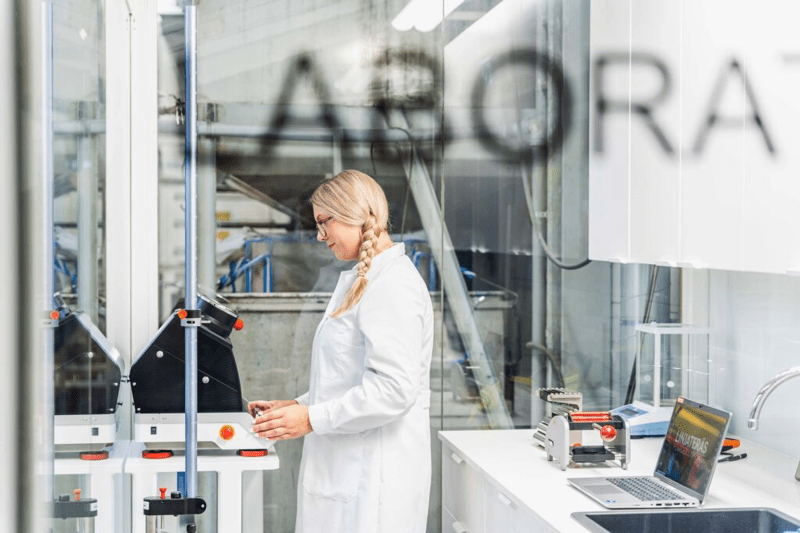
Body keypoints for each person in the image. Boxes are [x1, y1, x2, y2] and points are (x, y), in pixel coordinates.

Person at [249, 169, 434, 533]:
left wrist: (311, 418)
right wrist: (299, 405)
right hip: (347, 474)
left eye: (324, 222)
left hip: (372, 486)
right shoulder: (365, 279)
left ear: (355, 215)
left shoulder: (392, 285)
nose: (320, 236)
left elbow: (393, 390)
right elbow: (347, 374)